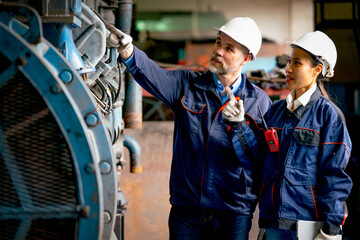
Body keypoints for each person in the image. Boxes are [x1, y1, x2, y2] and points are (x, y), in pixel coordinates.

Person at [106, 17, 272, 239]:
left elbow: (258, 160)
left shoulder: (259, 102)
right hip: (187, 208)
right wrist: (128, 51)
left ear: (247, 58)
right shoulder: (187, 84)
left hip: (233, 212)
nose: (219, 51)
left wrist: (240, 128)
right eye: (218, 42)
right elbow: (154, 75)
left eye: (229, 48)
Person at [222, 31, 353, 240]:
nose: (288, 69)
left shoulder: (328, 116)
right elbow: (257, 161)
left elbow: (334, 177)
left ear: (317, 70)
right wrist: (239, 126)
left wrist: (331, 230)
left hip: (309, 227)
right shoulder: (274, 113)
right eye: (289, 61)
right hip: (272, 224)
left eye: (297, 63)